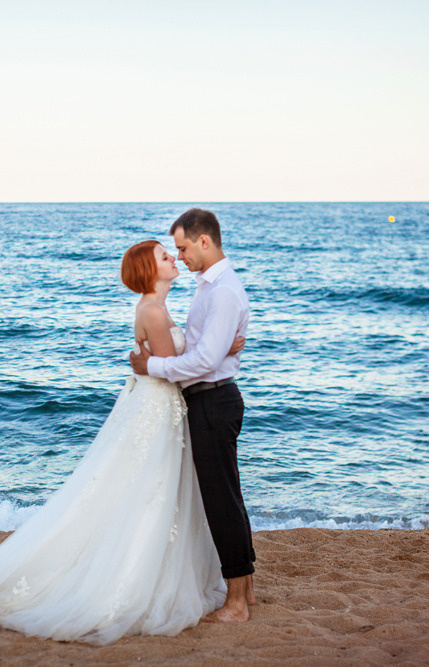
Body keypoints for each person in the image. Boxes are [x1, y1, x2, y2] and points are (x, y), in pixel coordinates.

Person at [0, 239, 244, 645]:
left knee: (145, 492)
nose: (173, 259)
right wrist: (216, 350)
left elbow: (175, 361)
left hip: (160, 411)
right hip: (157, 412)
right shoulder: (153, 311)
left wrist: (216, 346)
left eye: (171, 253)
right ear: (148, 270)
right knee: (146, 493)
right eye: (164, 256)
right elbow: (169, 369)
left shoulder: (157, 307)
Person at [129, 208, 255, 623]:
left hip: (214, 400)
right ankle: (245, 593)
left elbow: (201, 360)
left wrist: (153, 368)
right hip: (210, 398)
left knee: (221, 502)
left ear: (205, 241)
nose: (179, 256)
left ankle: (237, 603)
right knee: (228, 498)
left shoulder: (221, 291)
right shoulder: (210, 287)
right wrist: (223, 351)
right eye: (173, 251)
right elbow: (206, 349)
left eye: (182, 248)